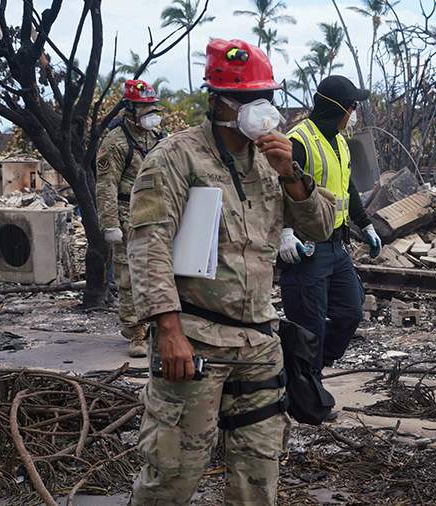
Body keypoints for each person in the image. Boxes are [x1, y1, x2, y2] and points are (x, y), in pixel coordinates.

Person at [128, 39, 335, 505]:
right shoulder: (175, 158)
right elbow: (148, 245)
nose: (262, 109)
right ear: (221, 102)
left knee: (259, 477)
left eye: (268, 98)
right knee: (173, 474)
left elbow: (319, 226)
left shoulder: (271, 162)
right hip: (196, 341)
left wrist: (292, 173)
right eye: (249, 99)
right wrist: (168, 329)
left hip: (259, 345)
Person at [279, 75, 382, 377]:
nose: (354, 113)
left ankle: (307, 371)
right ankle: (308, 390)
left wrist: (366, 225)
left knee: (350, 312)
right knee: (309, 325)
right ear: (339, 108)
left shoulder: (340, 142)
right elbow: (278, 189)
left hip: (337, 245)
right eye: (352, 106)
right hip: (306, 247)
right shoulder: (297, 141)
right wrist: (284, 232)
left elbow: (346, 187)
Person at [96, 79, 166, 357]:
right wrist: (110, 223)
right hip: (127, 212)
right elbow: (106, 185)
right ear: (130, 108)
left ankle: (154, 325)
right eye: (145, 107)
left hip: (158, 211)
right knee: (128, 276)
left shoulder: (158, 135)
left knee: (158, 271)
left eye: (153, 106)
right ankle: (135, 331)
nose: (151, 112)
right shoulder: (115, 141)